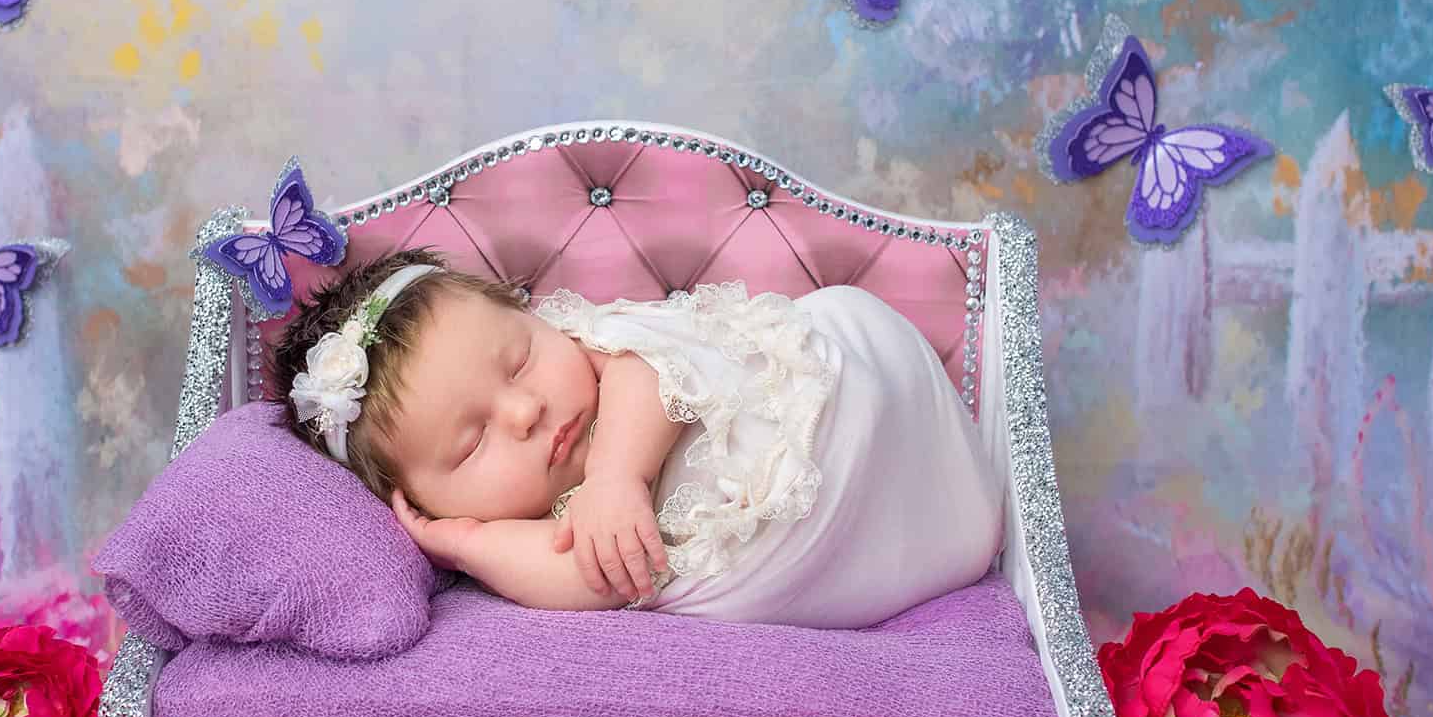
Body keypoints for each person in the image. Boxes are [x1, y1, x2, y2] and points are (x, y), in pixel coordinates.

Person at [271, 247, 1003, 626]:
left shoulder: (604, 353)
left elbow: (661, 370)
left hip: (842, 404)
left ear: (536, 316)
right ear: (423, 497)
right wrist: (461, 542)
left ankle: (945, 496)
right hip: (821, 552)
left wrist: (617, 475)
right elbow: (581, 580)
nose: (524, 413)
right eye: (471, 446)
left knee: (844, 335)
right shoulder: (536, 530)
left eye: (520, 357)